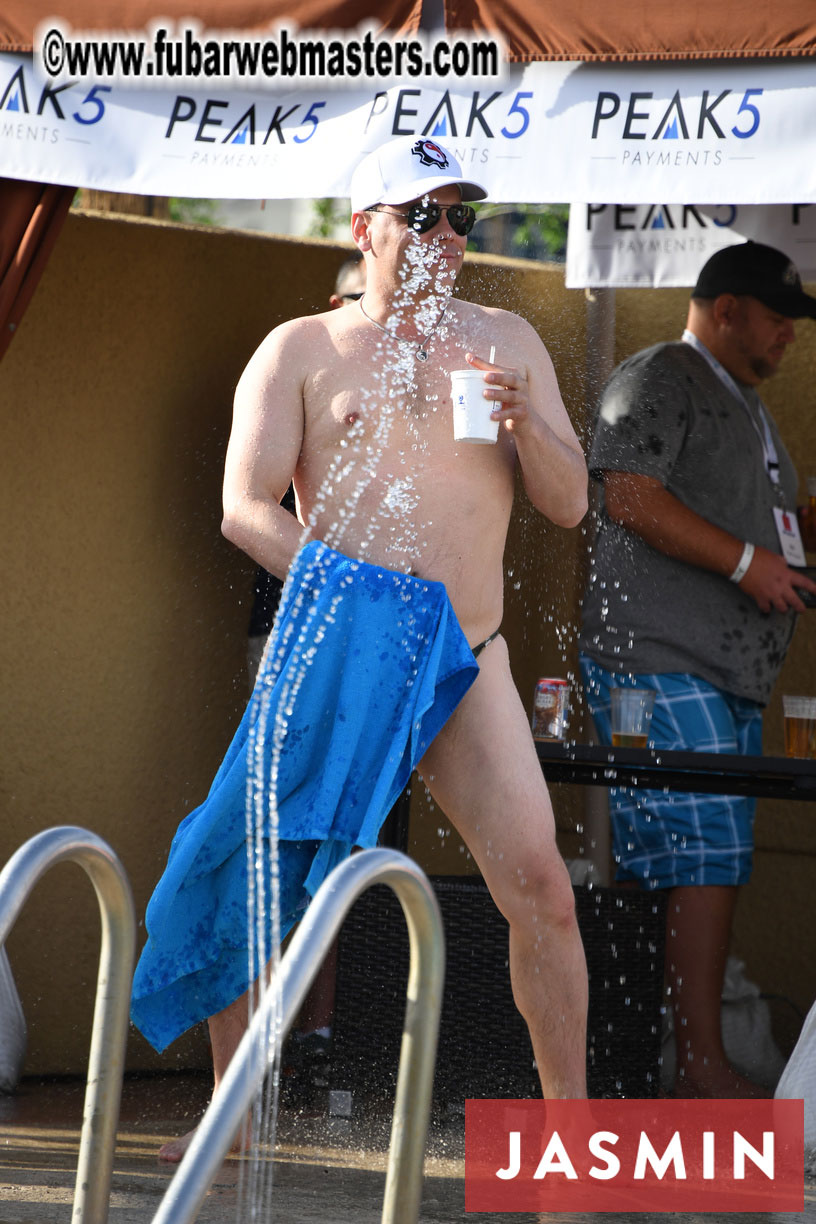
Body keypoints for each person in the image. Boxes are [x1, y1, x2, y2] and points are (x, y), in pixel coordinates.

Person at [131, 135, 589, 1161]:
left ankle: (571, 1132)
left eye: (460, 218)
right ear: (365, 228)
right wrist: (359, 590)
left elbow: (566, 507)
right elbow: (244, 509)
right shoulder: (301, 348)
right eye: (421, 216)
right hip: (341, 647)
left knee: (541, 887)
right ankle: (234, 1115)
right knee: (252, 873)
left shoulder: (506, 341)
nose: (444, 237)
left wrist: (532, 427)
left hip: (466, 655)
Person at [578, 241, 816, 1098]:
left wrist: (789, 538)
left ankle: (673, 1061)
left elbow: (769, 519)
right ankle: (700, 1070)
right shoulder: (659, 377)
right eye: (777, 318)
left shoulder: (746, 403)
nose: (790, 335)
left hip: (724, 671)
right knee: (705, 858)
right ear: (725, 311)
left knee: (705, 860)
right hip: (656, 658)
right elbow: (626, 494)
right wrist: (749, 563)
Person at [244, 252, 367, 1107]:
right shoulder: (305, 358)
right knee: (271, 832)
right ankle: (252, 1062)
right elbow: (245, 509)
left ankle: (316, 1036)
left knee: (348, 841)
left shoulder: (445, 364)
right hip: (303, 626)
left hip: (403, 637)